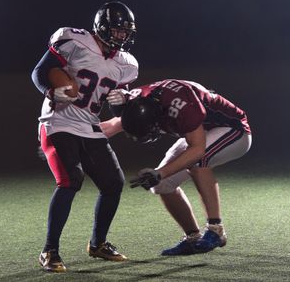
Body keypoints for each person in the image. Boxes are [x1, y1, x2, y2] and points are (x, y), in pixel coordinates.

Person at [31, 1, 139, 272]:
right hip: (57, 119)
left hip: (89, 124)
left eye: (126, 32)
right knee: (70, 180)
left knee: (114, 182)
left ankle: (98, 243)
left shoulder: (125, 64)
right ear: (102, 27)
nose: (122, 37)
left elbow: (116, 103)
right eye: (117, 31)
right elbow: (40, 72)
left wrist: (121, 99)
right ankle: (49, 250)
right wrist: (49, 91)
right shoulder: (75, 41)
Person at [100, 79, 252, 255]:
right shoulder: (138, 104)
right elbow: (112, 126)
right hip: (197, 133)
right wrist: (71, 135)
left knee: (196, 162)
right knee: (162, 185)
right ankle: (192, 238)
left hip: (232, 129)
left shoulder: (182, 105)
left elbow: (197, 150)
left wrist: (159, 172)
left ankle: (216, 229)